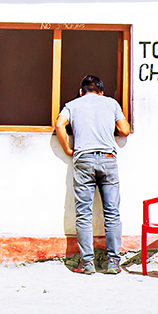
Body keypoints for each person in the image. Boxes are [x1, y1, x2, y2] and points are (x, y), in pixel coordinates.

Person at [55, 75, 131, 274]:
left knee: (84, 214)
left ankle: (87, 263)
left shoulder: (72, 105)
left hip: (84, 160)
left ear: (81, 91)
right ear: (101, 92)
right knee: (112, 213)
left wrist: (67, 149)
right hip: (107, 159)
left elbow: (59, 124)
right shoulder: (111, 103)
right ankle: (113, 262)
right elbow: (125, 130)